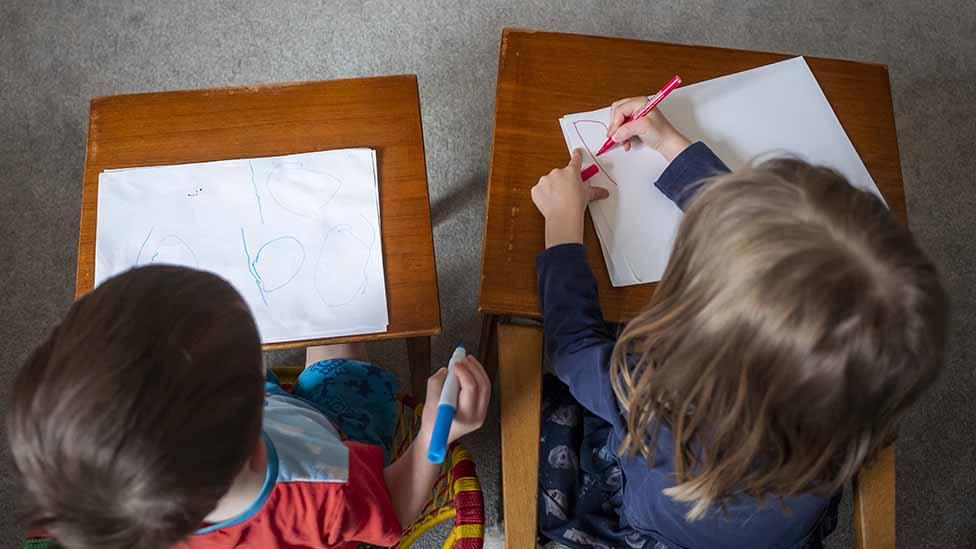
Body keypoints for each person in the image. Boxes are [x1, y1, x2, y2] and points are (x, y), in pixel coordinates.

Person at [531, 98, 949, 549]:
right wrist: (673, 145)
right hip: (775, 527)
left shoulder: (662, 395)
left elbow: (573, 346)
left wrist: (562, 224)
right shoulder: (854, 403)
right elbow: (771, 246)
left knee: (539, 404)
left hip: (654, 525)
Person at [8, 265, 490, 549]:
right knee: (342, 328)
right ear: (257, 429)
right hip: (330, 429)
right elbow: (396, 505)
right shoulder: (321, 487)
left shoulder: (115, 513)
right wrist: (433, 436)